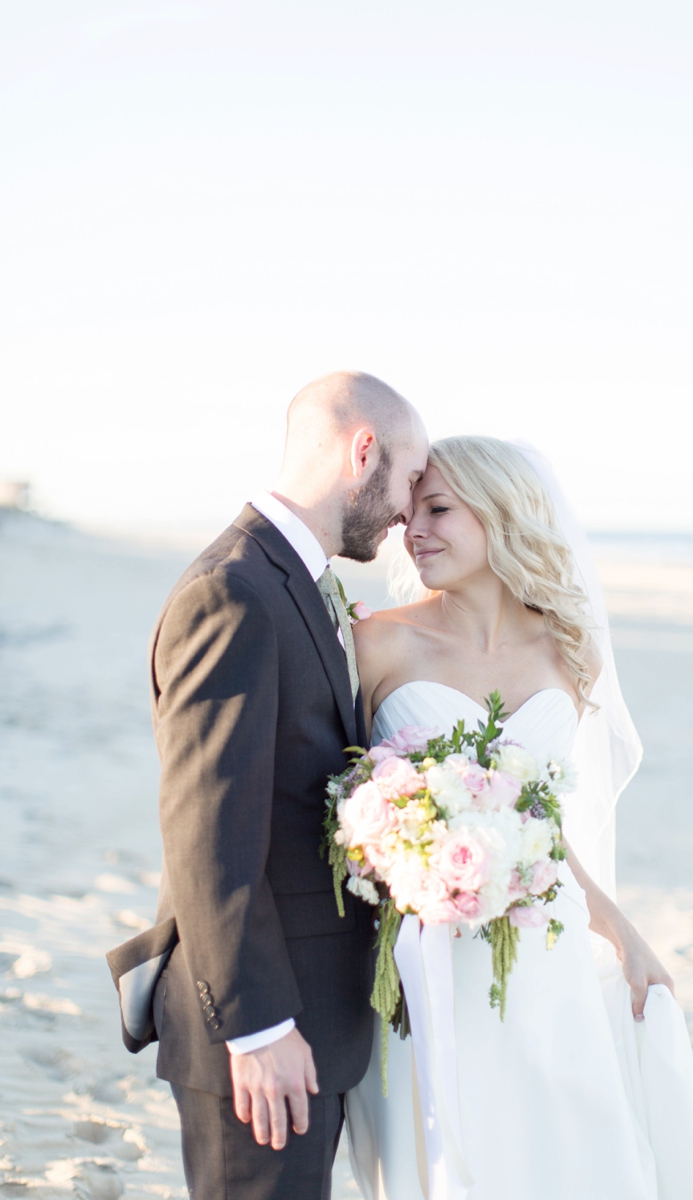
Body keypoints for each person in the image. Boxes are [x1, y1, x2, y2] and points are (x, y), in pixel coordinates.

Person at [346, 436, 693, 1200]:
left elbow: (542, 824)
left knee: (562, 1147)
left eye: (439, 509)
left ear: (503, 516)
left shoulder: (567, 651)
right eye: (410, 515)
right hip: (427, 950)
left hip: (547, 945)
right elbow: (336, 795)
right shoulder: (377, 643)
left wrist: (622, 933)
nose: (414, 531)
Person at [107, 371, 429, 1200]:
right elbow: (205, 830)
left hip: (312, 1016)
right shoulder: (234, 591)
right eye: (408, 476)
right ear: (363, 452)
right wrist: (258, 1026)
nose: (408, 508)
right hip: (261, 1028)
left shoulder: (297, 578)